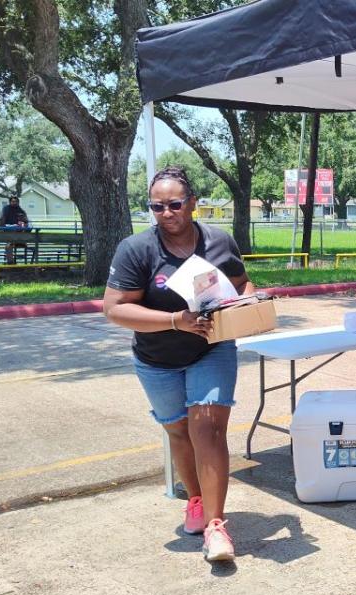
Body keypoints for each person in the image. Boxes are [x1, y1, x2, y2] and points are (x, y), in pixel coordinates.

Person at [103, 166, 253, 564]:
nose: (166, 212)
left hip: (211, 348)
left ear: (193, 204)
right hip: (156, 358)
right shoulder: (136, 250)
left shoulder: (219, 242)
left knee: (208, 427)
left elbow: (242, 284)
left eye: (174, 204)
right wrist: (175, 320)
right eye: (157, 206)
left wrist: (247, 304)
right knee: (180, 431)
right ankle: (197, 501)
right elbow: (115, 309)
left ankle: (217, 527)